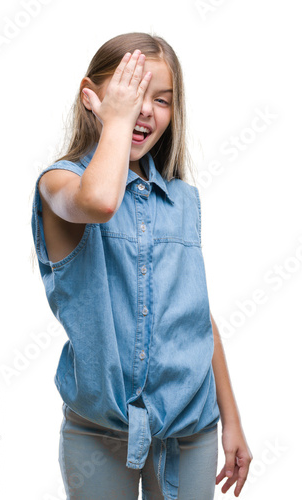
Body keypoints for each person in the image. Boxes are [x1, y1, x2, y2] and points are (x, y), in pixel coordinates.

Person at [31, 32, 253, 500]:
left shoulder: (182, 200)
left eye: (163, 100)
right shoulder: (59, 184)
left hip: (189, 429)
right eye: (132, 91)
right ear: (92, 95)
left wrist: (231, 421)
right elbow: (99, 201)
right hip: (100, 431)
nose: (146, 110)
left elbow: (197, 317)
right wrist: (115, 120)